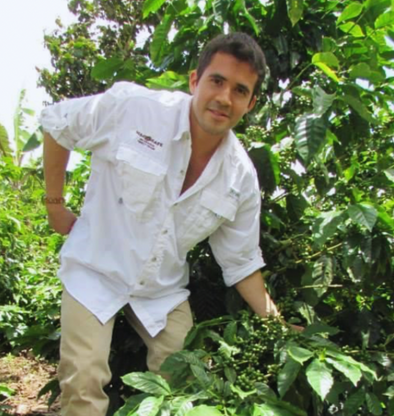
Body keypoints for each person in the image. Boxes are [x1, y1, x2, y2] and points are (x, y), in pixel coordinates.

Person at [41, 32, 289, 416]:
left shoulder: (240, 178)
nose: (224, 98)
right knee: (83, 381)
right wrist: (55, 207)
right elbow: (58, 124)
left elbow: (241, 262)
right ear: (195, 80)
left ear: (250, 103)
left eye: (240, 90)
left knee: (187, 383)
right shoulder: (135, 109)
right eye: (217, 81)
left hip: (162, 289)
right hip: (95, 270)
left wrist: (278, 325)